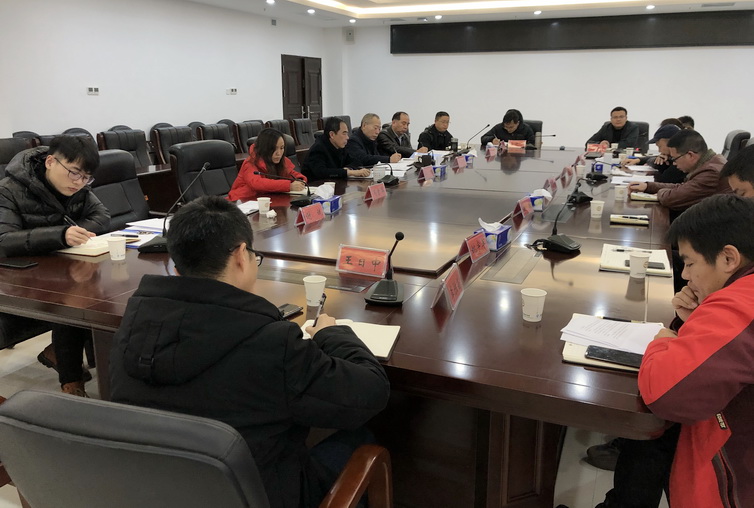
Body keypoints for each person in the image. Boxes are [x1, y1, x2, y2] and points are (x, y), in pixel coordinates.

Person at [109, 195, 390, 508]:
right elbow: (370, 391)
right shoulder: (272, 343)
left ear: (176, 263)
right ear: (241, 255)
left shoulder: (131, 327)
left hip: (157, 493)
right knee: (360, 438)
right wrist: (332, 333)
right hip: (261, 495)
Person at [638, 194, 754, 508]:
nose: (686, 275)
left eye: (690, 263)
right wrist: (694, 321)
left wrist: (663, 340)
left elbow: (667, 395)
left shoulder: (739, 303)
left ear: (728, 258)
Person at [0, 135, 110, 397]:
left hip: (55, 268)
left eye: (86, 178)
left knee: (92, 291)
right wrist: (60, 235)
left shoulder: (77, 186)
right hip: (16, 274)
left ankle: (67, 359)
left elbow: (102, 215)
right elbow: (3, 240)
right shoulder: (8, 190)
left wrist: (77, 232)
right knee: (73, 298)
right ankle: (71, 383)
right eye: (74, 173)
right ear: (50, 161)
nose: (79, 182)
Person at [627, 130, 730, 212]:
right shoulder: (709, 162)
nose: (674, 164)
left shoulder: (710, 172)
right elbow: (683, 187)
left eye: (674, 159)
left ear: (690, 155)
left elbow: (672, 198)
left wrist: (659, 194)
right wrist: (648, 186)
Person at [228, 128, 307, 201]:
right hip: (242, 202)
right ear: (265, 148)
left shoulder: (281, 161)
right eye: (274, 149)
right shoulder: (250, 162)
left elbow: (291, 173)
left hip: (266, 200)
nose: (279, 153)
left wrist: (300, 180)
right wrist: (288, 186)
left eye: (282, 148)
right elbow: (256, 183)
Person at [302, 117, 371, 180]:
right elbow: (322, 172)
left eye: (347, 134)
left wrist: (348, 168)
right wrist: (349, 172)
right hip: (316, 186)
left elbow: (356, 161)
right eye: (344, 133)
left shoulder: (340, 146)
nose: (347, 137)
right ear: (332, 134)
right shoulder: (318, 149)